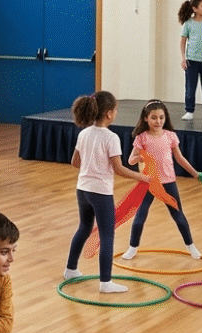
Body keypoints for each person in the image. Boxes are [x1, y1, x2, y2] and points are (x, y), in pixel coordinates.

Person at [64, 91, 149, 293]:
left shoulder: (83, 133)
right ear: (109, 113)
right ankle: (105, 282)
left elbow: (74, 162)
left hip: (82, 189)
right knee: (107, 233)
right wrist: (141, 177)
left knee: (84, 227)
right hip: (100, 193)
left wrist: (90, 168)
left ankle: (71, 269)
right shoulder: (111, 138)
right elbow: (119, 169)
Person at [122, 99, 202, 261]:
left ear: (165, 118)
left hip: (168, 182)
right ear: (146, 118)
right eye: (153, 118)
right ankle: (132, 247)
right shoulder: (142, 138)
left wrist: (195, 173)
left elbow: (180, 159)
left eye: (161, 117)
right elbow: (131, 160)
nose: (158, 121)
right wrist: (142, 155)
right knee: (140, 217)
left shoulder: (170, 136)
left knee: (179, 215)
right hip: (148, 183)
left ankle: (191, 246)